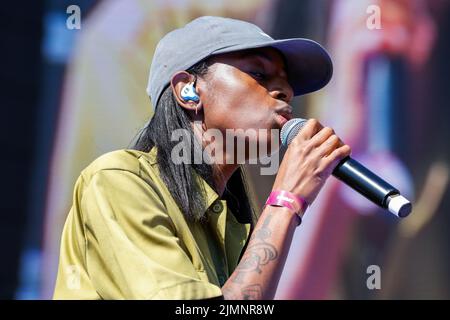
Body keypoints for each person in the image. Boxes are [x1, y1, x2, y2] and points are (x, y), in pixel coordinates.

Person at [53, 16, 351, 300]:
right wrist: (286, 202)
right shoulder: (117, 182)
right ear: (190, 90)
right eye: (259, 74)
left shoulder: (235, 227)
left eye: (288, 84)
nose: (285, 91)